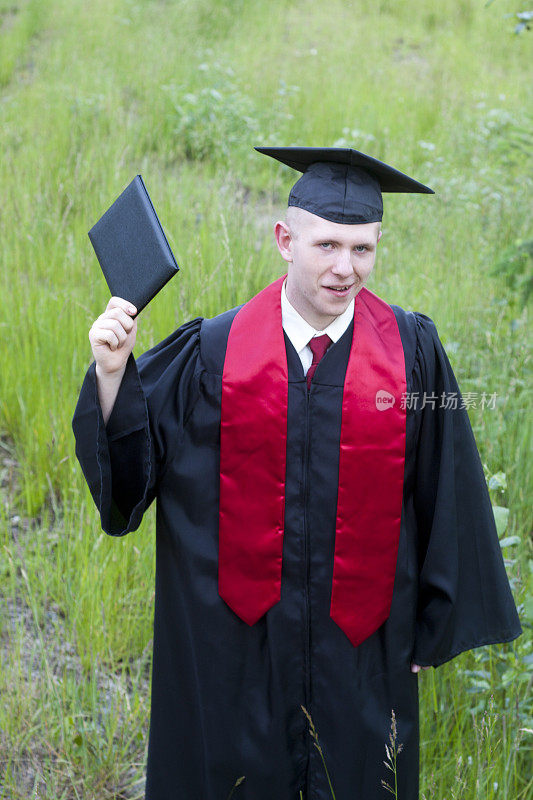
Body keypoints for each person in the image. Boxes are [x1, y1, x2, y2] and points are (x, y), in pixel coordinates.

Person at [72, 147, 522, 800]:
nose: (345, 268)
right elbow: (135, 471)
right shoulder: (212, 352)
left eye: (362, 249)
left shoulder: (413, 353)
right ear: (285, 240)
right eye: (327, 245)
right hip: (236, 642)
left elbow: (446, 483)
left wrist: (433, 621)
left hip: (363, 643)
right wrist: (113, 375)